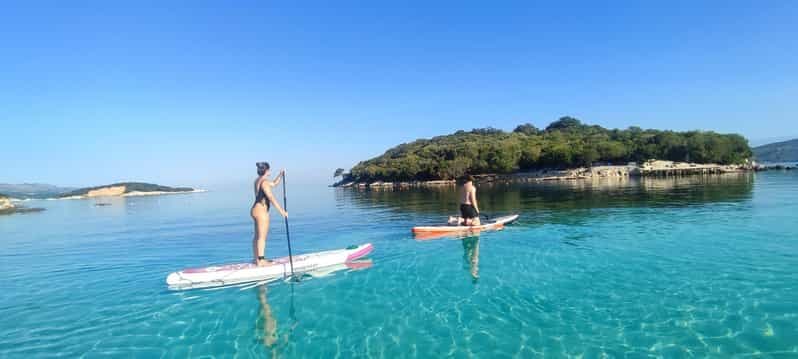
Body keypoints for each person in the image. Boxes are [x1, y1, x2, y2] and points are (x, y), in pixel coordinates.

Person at [251, 162, 288, 266]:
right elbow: (271, 198)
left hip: (255, 210)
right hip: (261, 212)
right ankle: (261, 260)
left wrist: (280, 175)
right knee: (262, 237)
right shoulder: (265, 182)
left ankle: (256, 259)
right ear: (266, 170)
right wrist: (282, 212)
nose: (270, 171)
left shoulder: (258, 180)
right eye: (269, 170)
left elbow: (274, 184)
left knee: (257, 236)